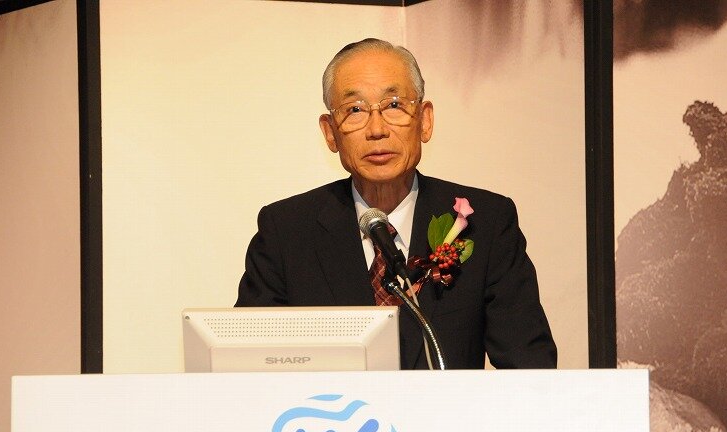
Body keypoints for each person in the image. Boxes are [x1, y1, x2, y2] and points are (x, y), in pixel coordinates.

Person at [236, 38, 557, 369]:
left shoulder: (486, 223)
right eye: (355, 110)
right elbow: (247, 366)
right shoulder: (286, 231)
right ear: (330, 133)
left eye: (394, 105)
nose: (377, 130)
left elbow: (530, 369)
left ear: (425, 120)